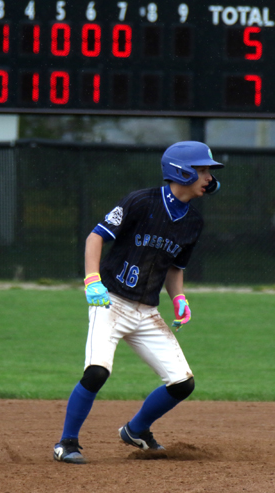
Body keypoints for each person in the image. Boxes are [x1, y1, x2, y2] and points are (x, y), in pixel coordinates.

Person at [53, 141, 224, 464]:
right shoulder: (141, 202)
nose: (208, 177)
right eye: (202, 170)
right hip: (110, 302)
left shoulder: (192, 222)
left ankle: (136, 429)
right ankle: (67, 443)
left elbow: (175, 266)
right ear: (181, 171)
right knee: (96, 373)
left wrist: (179, 298)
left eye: (208, 171)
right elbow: (96, 236)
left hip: (147, 310)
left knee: (182, 383)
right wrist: (92, 280)